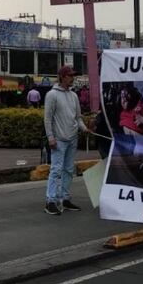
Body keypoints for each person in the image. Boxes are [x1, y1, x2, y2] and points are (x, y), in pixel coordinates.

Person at [43, 65, 88, 215]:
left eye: (73, 76)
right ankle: (51, 200)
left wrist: (83, 128)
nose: (72, 78)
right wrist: (50, 137)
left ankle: (65, 198)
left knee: (69, 170)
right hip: (59, 139)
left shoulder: (73, 96)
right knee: (56, 170)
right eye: (70, 76)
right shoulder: (52, 95)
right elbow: (47, 119)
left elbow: (78, 117)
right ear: (62, 77)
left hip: (72, 138)